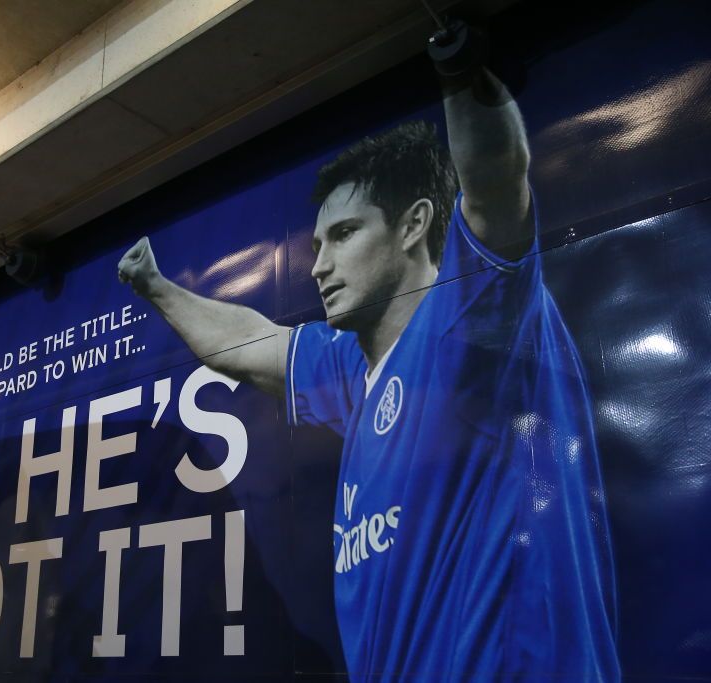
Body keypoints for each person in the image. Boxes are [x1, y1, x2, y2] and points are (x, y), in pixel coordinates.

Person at [118, 65, 619, 680]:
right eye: (318, 244)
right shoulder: (353, 367)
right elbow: (246, 344)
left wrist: (459, 62)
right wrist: (157, 287)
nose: (319, 266)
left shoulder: (470, 317)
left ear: (413, 225)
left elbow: (494, 183)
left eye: (345, 234)